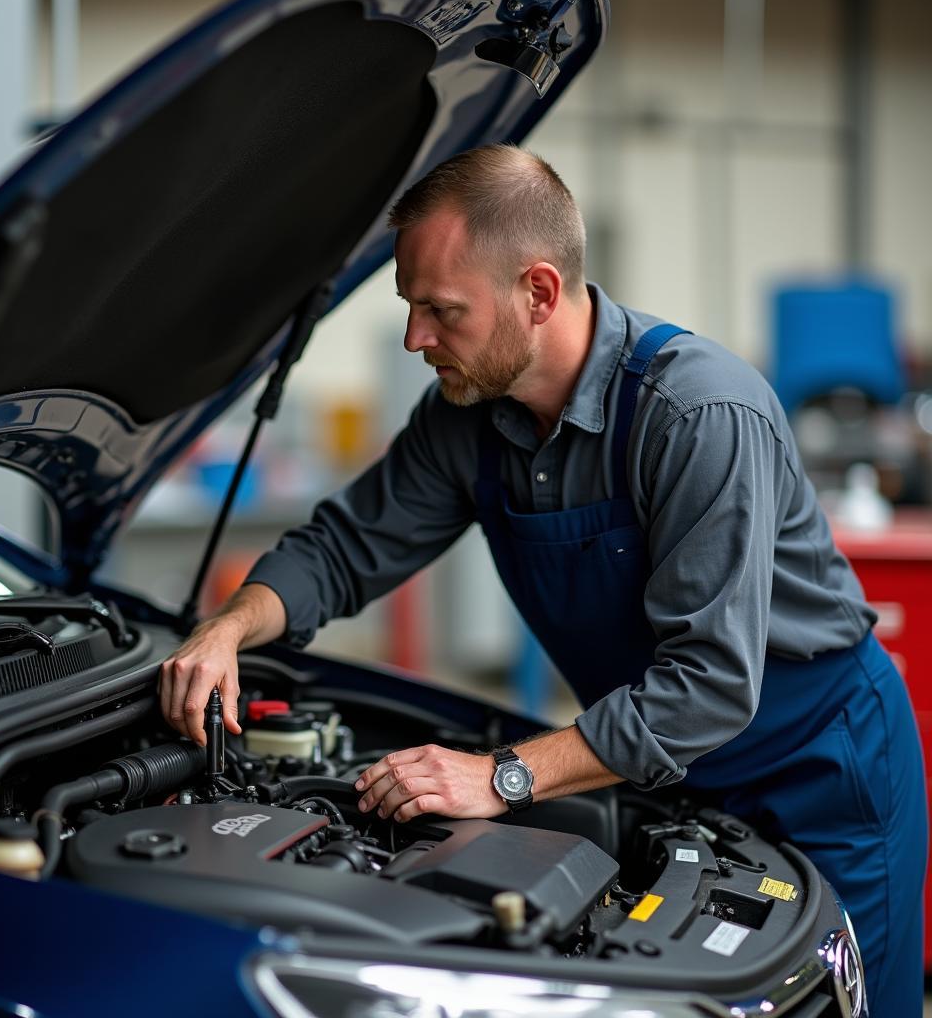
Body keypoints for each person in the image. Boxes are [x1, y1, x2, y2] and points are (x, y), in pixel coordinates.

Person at [158, 145, 925, 1015]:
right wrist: (228, 627)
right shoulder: (466, 419)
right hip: (661, 770)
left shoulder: (699, 415)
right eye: (411, 309)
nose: (416, 339)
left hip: (821, 766)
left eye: (441, 311)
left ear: (540, 292)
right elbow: (343, 548)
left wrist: (501, 776)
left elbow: (709, 687)